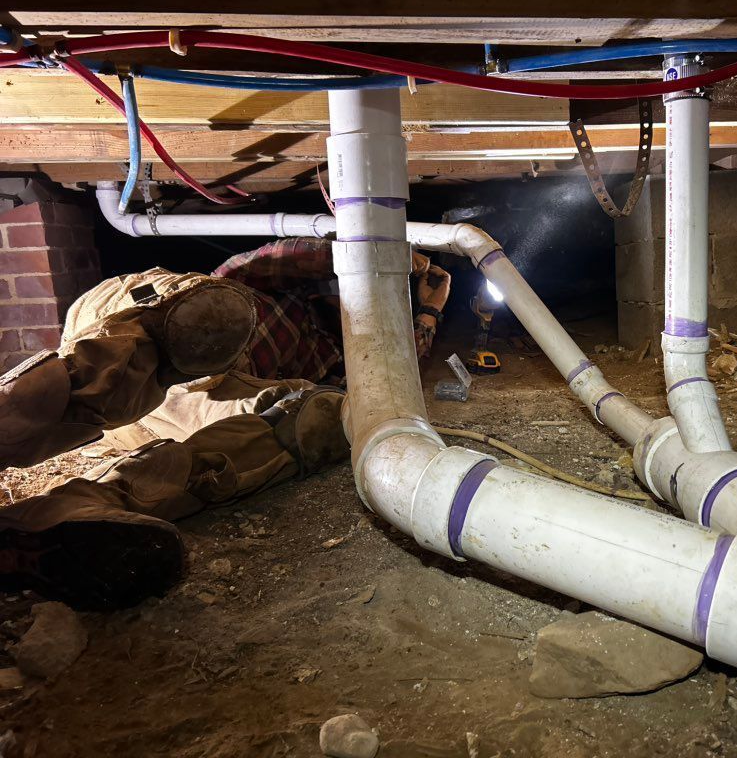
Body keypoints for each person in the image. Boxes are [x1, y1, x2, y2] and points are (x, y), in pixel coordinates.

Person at [0, 239, 450, 609]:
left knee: (315, 419)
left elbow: (394, 374)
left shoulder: (340, 359)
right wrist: (380, 250)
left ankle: (65, 515)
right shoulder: (288, 293)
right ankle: (32, 407)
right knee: (204, 318)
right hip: (140, 323)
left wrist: (429, 310)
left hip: (183, 406)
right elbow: (256, 262)